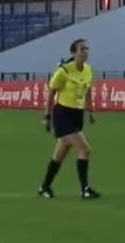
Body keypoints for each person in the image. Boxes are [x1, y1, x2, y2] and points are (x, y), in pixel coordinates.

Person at [39, 39, 100, 199]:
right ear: (74, 53)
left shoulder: (88, 70)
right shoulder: (64, 71)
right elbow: (52, 92)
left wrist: (90, 111)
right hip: (63, 114)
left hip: (77, 115)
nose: (85, 52)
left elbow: (88, 91)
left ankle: (44, 187)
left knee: (59, 155)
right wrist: (47, 116)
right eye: (82, 49)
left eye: (87, 49)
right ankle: (85, 189)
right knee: (85, 149)